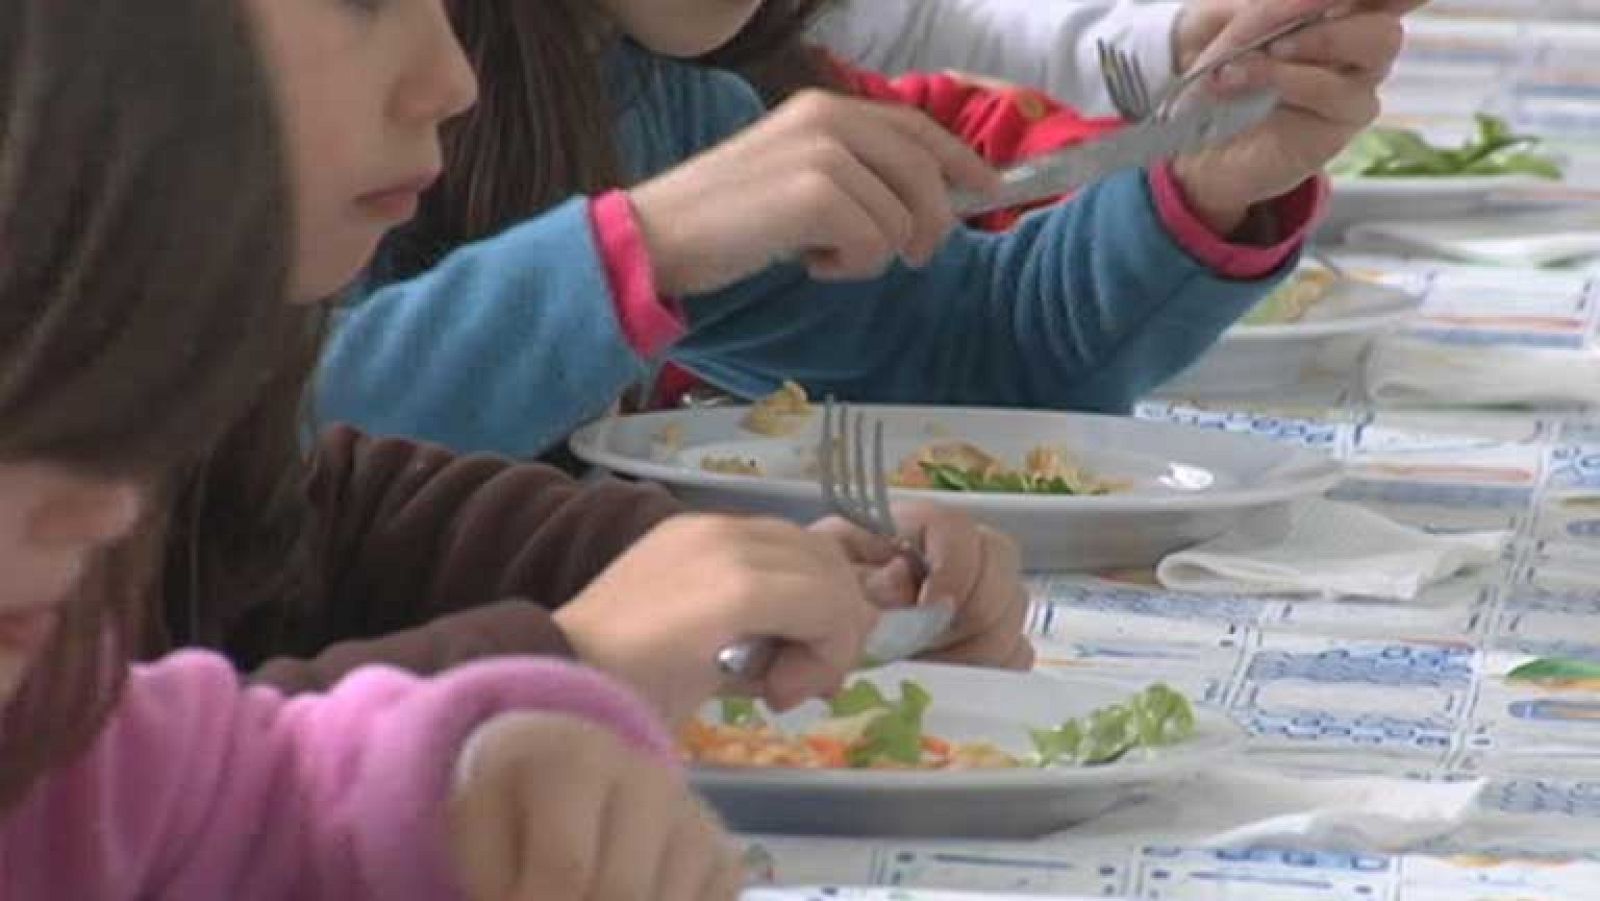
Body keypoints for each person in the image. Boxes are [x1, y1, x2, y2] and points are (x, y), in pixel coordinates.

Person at [0, 1, 735, 897]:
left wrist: (468, 771)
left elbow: (249, 782)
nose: (452, 80)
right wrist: (562, 647)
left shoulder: (52, 735)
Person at [144, 0, 1033, 725]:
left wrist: (727, 573)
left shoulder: (652, 98)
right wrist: (578, 655)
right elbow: (131, 776)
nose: (451, 82)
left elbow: (327, 508)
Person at [315, 0, 1402, 463]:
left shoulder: (640, 90)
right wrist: (638, 246)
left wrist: (1201, 181)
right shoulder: (235, 77)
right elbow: (215, 442)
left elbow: (981, 361)